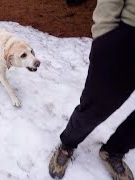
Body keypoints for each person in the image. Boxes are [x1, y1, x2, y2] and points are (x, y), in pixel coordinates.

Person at [48, 0, 135, 179]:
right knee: (96, 105)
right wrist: (105, 36)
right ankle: (68, 144)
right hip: (127, 39)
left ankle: (114, 151)